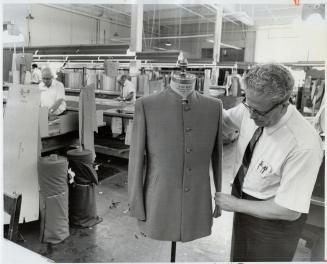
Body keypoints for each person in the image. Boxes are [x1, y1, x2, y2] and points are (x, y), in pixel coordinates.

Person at [215, 63, 323, 262]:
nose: (251, 116)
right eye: (249, 106)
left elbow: (289, 211)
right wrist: (196, 101)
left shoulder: (303, 144)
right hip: (245, 208)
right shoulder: (254, 108)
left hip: (275, 225)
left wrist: (236, 204)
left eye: (260, 112)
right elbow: (224, 121)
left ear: (284, 104)